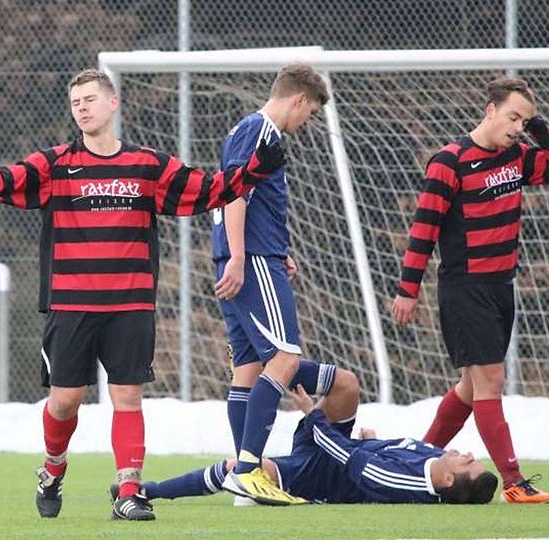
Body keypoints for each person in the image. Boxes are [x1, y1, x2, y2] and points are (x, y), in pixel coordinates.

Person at [0, 68, 285, 521]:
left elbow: (206, 191)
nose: (82, 107)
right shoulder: (55, 163)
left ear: (113, 103)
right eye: (75, 101)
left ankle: (129, 491)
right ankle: (53, 468)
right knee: (65, 401)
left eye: (90, 99)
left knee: (128, 399)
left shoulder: (148, 164)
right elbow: (7, 181)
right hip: (71, 303)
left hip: (130, 304)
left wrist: (255, 170)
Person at [391, 77, 549, 504]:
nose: (517, 127)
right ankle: (513, 482)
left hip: (500, 286)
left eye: (524, 121)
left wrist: (539, 128)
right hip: (464, 287)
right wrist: (408, 289)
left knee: (471, 389)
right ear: (489, 111)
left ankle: (418, 462)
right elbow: (424, 229)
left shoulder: (517, 156)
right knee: (491, 380)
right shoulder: (450, 161)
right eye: (513, 117)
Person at [209, 64, 359, 506]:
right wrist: (241, 255)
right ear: (297, 99)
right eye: (310, 113)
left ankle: (245, 482)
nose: (306, 122)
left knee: (249, 370)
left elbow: (252, 199)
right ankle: (249, 469)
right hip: (251, 260)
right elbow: (234, 193)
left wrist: (278, 248)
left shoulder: (251, 131)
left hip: (256, 254)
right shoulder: (260, 132)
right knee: (286, 358)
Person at [141, 385, 498, 505]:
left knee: (238, 468)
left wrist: (313, 413)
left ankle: (148, 491)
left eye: (468, 464)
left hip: (317, 476)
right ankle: (270, 366)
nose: (467, 454)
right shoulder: (436, 458)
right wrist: (371, 441)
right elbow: (377, 452)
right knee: (346, 385)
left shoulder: (404, 484)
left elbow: (349, 459)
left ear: (448, 482)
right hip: (332, 446)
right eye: (473, 457)